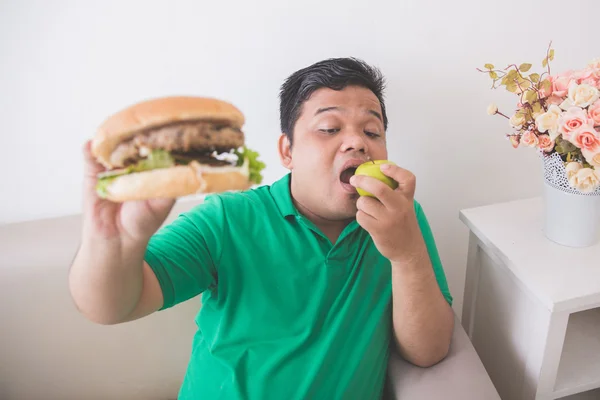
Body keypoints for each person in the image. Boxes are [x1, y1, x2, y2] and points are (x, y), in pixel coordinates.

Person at [69, 57, 454, 400]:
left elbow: (428, 350)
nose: (356, 142)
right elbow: (110, 307)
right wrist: (113, 241)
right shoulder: (227, 217)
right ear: (287, 151)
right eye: (329, 128)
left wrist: (406, 254)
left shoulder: (401, 217)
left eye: (372, 132)